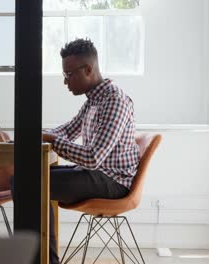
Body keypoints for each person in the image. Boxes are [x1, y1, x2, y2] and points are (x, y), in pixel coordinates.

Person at [41, 38, 140, 263]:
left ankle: (45, 260)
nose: (65, 82)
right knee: (24, 180)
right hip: (95, 175)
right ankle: (42, 258)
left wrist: (52, 139)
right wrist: (40, 135)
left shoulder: (114, 100)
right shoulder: (93, 102)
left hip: (112, 182)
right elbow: (67, 129)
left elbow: (93, 158)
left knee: (28, 184)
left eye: (68, 75)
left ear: (87, 69)